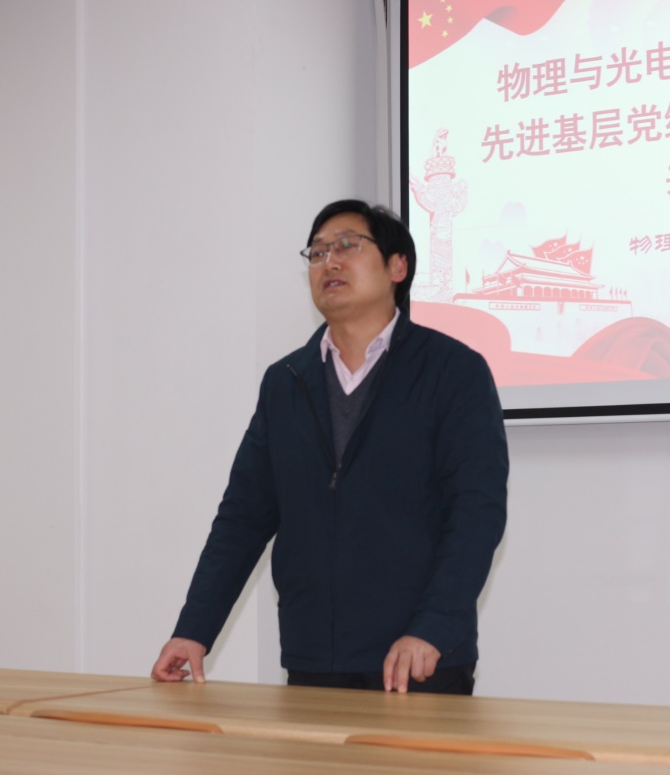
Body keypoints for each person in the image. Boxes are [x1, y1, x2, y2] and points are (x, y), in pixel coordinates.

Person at [151, 199, 508, 695]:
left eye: (347, 246)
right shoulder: (286, 381)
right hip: (314, 654)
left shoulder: (453, 371)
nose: (329, 262)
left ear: (397, 266)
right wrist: (194, 629)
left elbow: (476, 514)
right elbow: (243, 517)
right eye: (317, 253)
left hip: (418, 658)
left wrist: (433, 628)